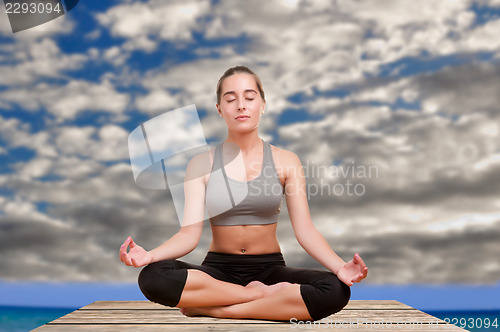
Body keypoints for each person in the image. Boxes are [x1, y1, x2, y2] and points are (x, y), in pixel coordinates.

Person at [119, 65, 368, 322]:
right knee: (152, 276)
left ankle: (213, 308)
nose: (241, 105)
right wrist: (150, 255)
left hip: (270, 269)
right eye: (230, 99)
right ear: (219, 109)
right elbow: (188, 236)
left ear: (262, 104)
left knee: (335, 289)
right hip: (217, 271)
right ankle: (259, 298)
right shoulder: (200, 164)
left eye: (250, 97)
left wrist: (340, 267)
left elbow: (305, 230)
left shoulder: (287, 161)